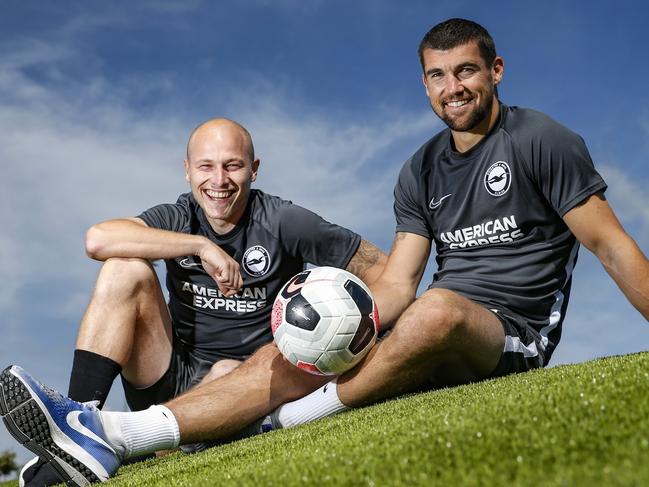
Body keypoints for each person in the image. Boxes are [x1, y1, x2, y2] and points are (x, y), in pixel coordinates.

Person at [2, 18, 648, 486]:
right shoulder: (419, 169)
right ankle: (104, 433)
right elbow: (397, 281)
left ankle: (271, 420)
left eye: (465, 71)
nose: (451, 86)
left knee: (436, 309)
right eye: (436, 74)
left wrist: (399, 314)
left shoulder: (540, 140)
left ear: (494, 71)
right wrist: (344, 323)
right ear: (423, 83)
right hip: (434, 323)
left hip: (511, 333)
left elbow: (611, 246)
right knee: (294, 342)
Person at [14, 117, 387, 486]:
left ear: (254, 170)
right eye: (206, 166)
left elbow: (381, 268)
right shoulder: (179, 217)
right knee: (124, 270)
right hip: (171, 376)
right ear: (187, 171)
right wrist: (200, 245)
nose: (219, 180)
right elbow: (98, 239)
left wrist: (373, 337)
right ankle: (75, 429)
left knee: (225, 369)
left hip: (241, 385)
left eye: (233, 166)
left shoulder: (284, 221)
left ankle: (180, 435)